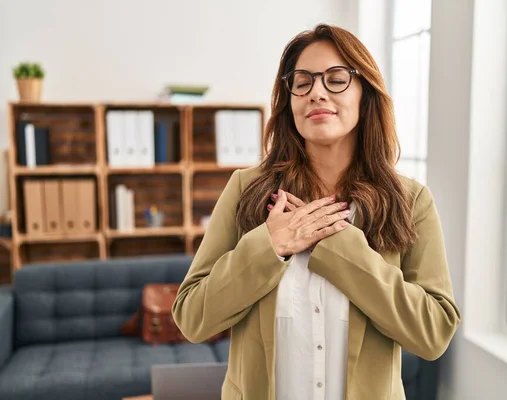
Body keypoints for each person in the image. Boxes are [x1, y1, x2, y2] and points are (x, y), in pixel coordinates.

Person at [172, 23, 461, 400]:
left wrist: (343, 250)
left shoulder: (410, 200)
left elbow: (434, 333)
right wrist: (269, 245)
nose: (317, 93)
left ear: (365, 94)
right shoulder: (247, 188)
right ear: (288, 99)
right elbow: (192, 318)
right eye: (302, 82)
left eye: (336, 79)